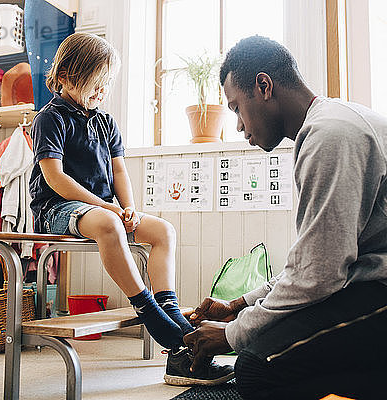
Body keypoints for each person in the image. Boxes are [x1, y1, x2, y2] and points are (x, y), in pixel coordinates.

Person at [184, 35, 387, 400]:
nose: (240, 127)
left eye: (236, 108)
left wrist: (232, 334)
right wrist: (241, 304)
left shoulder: (331, 136)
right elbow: (313, 260)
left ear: (264, 86)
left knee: (259, 368)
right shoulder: (328, 126)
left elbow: (318, 276)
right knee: (281, 344)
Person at [28, 32, 234, 386]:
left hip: (102, 208)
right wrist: (107, 207)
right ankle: (152, 314)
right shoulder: (50, 118)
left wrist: (130, 208)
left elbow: (120, 171)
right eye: (93, 84)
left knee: (162, 230)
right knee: (109, 223)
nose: (100, 92)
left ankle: (169, 309)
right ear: (63, 77)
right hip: (58, 207)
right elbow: (56, 178)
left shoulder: (105, 121)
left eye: (105, 85)